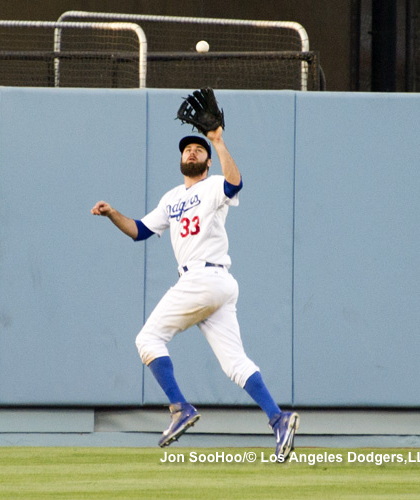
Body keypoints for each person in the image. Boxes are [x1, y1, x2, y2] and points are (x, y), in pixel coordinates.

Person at [91, 126, 299, 461]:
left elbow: (234, 183)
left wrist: (217, 141)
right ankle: (279, 418)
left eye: (197, 149)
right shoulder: (171, 198)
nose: (191, 151)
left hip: (204, 277)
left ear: (207, 161)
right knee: (235, 365)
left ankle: (180, 409)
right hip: (215, 286)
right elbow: (140, 230)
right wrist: (112, 213)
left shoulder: (214, 185)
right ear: (180, 158)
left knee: (148, 340)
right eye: (187, 148)